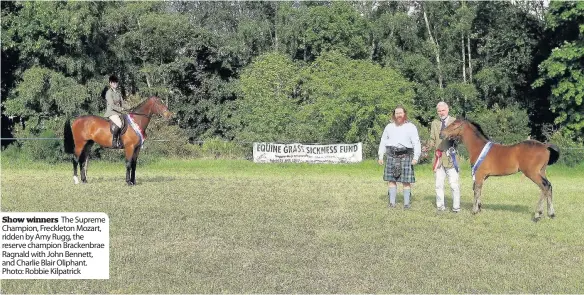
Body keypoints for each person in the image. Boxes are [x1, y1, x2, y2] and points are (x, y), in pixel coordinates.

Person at [378, 105, 422, 209]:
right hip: (391, 155)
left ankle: (406, 204)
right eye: (396, 113)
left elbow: (416, 142)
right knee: (391, 180)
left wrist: (416, 157)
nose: (398, 115)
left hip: (405, 155)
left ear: (404, 114)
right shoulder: (389, 127)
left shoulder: (411, 127)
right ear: (394, 115)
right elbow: (383, 141)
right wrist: (380, 156)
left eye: (400, 113)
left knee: (406, 181)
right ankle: (392, 203)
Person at [426, 101, 460, 212]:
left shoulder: (454, 121)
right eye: (439, 111)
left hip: (451, 157)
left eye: (443, 110)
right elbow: (432, 139)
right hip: (438, 157)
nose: (441, 112)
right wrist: (427, 146)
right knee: (438, 184)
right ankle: (440, 206)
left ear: (448, 110)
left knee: (454, 184)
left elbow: (460, 138)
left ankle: (456, 207)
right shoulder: (434, 123)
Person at [103, 75, 128, 148]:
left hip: (119, 113)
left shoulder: (118, 93)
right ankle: (115, 141)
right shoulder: (108, 93)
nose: (115, 84)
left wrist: (130, 108)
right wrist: (121, 109)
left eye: (116, 83)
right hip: (111, 112)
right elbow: (112, 105)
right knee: (119, 124)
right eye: (114, 83)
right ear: (110, 83)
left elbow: (122, 103)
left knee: (126, 122)